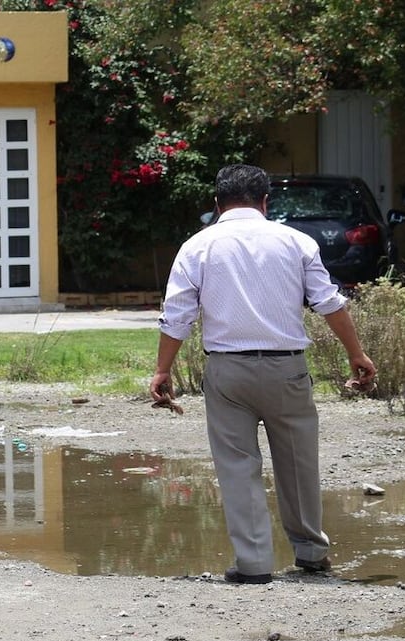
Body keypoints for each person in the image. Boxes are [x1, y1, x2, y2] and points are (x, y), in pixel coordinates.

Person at [149, 164, 376, 585]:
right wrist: (356, 354)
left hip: (227, 372)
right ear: (266, 201)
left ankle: (253, 564)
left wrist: (163, 370)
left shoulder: (197, 247)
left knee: (237, 466)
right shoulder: (296, 242)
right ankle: (309, 554)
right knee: (298, 462)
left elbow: (177, 316)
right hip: (287, 368)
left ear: (216, 204)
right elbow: (329, 302)